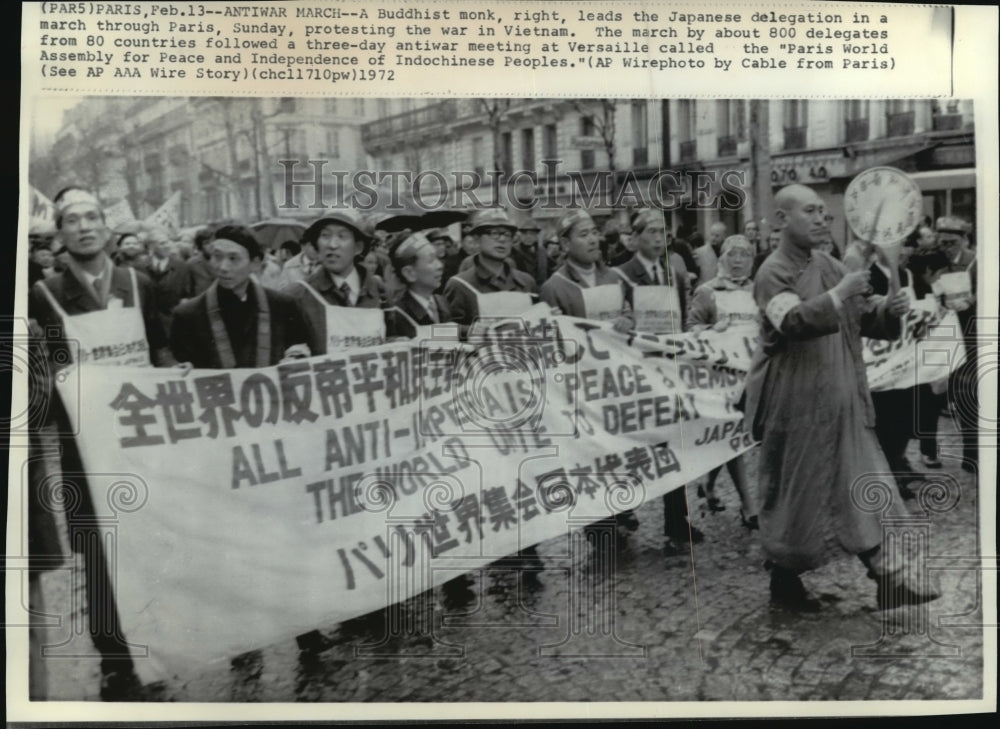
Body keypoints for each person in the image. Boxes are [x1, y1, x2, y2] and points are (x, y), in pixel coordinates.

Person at [742, 184, 939, 612]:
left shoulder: (831, 265)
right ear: (781, 220)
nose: (820, 219)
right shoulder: (771, 272)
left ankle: (889, 576)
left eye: (823, 213)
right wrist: (840, 293)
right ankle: (785, 575)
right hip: (794, 404)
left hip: (842, 397)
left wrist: (891, 309)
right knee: (799, 494)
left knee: (865, 483)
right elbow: (791, 320)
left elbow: (863, 315)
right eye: (809, 212)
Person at [28, 186, 176, 700]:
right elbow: (40, 378)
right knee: (97, 543)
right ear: (60, 233)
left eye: (93, 217)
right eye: (74, 220)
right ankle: (114, 655)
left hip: (142, 438)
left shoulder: (140, 283)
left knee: (149, 537)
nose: (85, 227)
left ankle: (154, 637)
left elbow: (160, 348)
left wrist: (173, 372)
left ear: (106, 227)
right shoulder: (42, 295)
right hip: (83, 445)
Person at [615, 209, 704, 551]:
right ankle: (621, 511)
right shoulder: (622, 275)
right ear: (634, 238)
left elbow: (681, 320)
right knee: (634, 444)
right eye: (649, 231)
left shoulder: (674, 273)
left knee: (675, 443)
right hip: (635, 372)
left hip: (669, 370)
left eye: (662, 230)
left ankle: (676, 520)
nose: (657, 237)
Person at [686, 235, 759, 529]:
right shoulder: (707, 291)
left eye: (744, 255)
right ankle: (749, 504)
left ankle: (709, 484)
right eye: (732, 255)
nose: (738, 260)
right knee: (732, 435)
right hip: (721, 379)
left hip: (753, 375)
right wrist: (711, 329)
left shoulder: (758, 290)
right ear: (722, 259)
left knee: (734, 436)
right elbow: (691, 329)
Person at [169, 225, 310, 368]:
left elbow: (299, 347)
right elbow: (178, 361)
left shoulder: (284, 306)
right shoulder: (187, 314)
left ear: (255, 263)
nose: (223, 267)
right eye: (217, 257)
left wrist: (296, 358)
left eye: (233, 258)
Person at [286, 209, 386, 356]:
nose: (332, 245)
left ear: (358, 247)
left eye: (342, 236)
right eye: (325, 236)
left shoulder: (379, 290)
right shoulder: (297, 296)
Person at [540, 209, 632, 332]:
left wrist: (628, 320)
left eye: (594, 232)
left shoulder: (613, 277)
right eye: (584, 235)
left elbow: (628, 313)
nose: (593, 240)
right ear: (566, 244)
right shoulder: (554, 288)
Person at [443, 208, 537, 328]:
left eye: (507, 234)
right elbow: (448, 331)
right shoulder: (459, 285)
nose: (502, 239)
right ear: (477, 239)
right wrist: (474, 331)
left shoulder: (526, 282)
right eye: (494, 233)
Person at [934, 216, 978, 472]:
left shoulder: (976, 262)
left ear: (963, 240)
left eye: (951, 242)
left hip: (975, 333)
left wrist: (973, 300)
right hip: (952, 335)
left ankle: (979, 452)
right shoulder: (939, 265)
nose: (947, 248)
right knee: (962, 396)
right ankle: (970, 453)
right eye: (943, 243)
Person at [384, 231, 452, 340]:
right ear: (409, 273)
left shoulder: (441, 302)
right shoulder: (397, 315)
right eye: (431, 260)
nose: (440, 266)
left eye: (437, 259)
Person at [693, 222, 725, 287]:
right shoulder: (699, 252)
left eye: (717, 235)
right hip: (705, 289)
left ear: (723, 236)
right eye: (712, 235)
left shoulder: (727, 252)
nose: (713, 238)